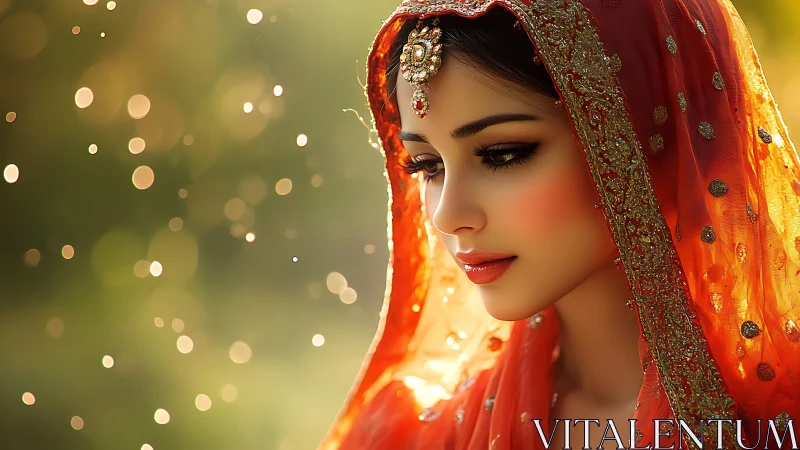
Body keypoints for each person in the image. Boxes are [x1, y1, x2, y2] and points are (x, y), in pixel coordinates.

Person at [321, 0, 800, 448]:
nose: (448, 214)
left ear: (651, 138)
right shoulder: (411, 436)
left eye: (503, 155)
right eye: (427, 165)